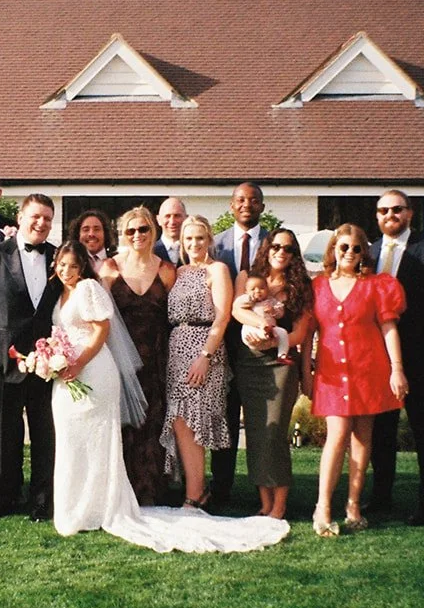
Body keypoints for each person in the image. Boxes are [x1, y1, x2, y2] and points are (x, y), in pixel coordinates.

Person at [48, 243, 289, 554]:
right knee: (74, 442)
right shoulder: (64, 293)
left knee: (101, 440)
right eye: (61, 265)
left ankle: (103, 505)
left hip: (92, 370)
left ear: (81, 266)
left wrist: (77, 362)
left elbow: (102, 330)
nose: (66, 270)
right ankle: (76, 505)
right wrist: (52, 356)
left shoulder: (88, 288)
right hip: (70, 373)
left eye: (72, 265)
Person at [0, 193, 62, 520]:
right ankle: (3, 499)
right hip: (0, 361)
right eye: (36, 216)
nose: (41, 223)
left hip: (48, 364)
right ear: (20, 218)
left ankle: (41, 500)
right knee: (4, 436)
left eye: (47, 218)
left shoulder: (58, 258)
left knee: (45, 435)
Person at [305, 224, 407, 537]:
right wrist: (303, 372)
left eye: (356, 248)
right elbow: (308, 333)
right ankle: (322, 506)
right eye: (343, 247)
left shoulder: (377, 285)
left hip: (369, 368)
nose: (349, 253)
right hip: (332, 373)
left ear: (364, 252)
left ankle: (353, 504)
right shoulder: (317, 286)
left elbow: (389, 328)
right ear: (333, 250)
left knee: (363, 439)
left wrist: (397, 368)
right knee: (337, 434)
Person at [366, 190, 424, 522]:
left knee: (423, 429)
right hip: (374, 357)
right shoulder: (367, 253)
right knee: (381, 433)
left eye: (396, 210)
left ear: (409, 214)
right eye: (383, 210)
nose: (390, 215)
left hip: (416, 357)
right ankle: (381, 497)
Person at [229, 228, 315, 522]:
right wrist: (260, 324)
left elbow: (302, 333)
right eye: (276, 246)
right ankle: (264, 502)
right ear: (267, 248)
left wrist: (274, 339)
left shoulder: (300, 287)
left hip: (282, 363)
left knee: (275, 431)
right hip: (249, 362)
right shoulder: (250, 279)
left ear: (294, 255)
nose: (281, 252)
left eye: (288, 249)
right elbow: (237, 310)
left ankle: (280, 504)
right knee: (255, 432)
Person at [96, 206, 177, 506]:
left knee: (153, 424)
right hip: (118, 359)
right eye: (130, 230)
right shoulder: (108, 268)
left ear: (152, 231)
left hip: (156, 359)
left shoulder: (167, 270)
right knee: (122, 425)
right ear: (122, 234)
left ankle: (151, 491)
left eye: (143, 229)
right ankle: (120, 493)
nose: (137, 235)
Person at [161, 214, 235, 510]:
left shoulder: (217, 270)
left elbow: (223, 316)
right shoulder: (177, 272)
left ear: (209, 240)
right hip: (177, 347)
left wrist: (205, 356)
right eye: (188, 239)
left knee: (196, 420)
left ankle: (195, 495)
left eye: (200, 238)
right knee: (180, 421)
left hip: (205, 349)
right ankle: (195, 490)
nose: (194, 244)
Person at [208, 182, 270, 511]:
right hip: (223, 344)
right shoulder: (215, 246)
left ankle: (266, 490)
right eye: (240, 200)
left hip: (263, 345)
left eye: (254, 200)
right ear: (232, 206)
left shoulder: (275, 245)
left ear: (262, 205)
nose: (247, 205)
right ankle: (221, 488)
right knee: (225, 418)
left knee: (263, 421)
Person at [154, 197, 187, 265]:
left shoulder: (195, 251)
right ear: (158, 220)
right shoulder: (150, 252)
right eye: (167, 216)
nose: (172, 222)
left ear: (186, 218)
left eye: (177, 216)